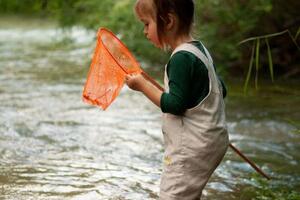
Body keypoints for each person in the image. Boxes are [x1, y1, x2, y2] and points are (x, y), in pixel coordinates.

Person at [125, 0, 229, 199]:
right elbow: (220, 89)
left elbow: (175, 105)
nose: (144, 31)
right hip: (213, 140)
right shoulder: (200, 50)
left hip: (192, 147)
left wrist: (142, 86)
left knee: (173, 194)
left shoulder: (180, 58)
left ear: (168, 21)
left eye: (147, 24)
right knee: (189, 193)